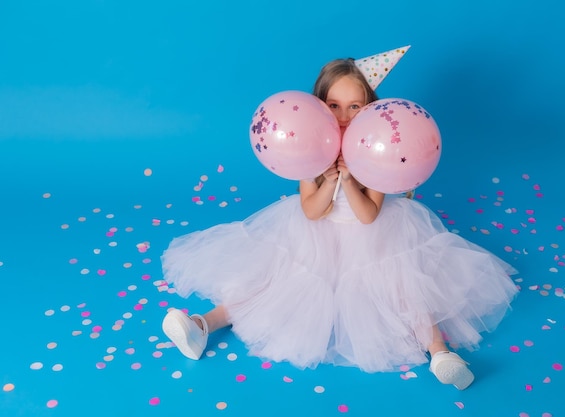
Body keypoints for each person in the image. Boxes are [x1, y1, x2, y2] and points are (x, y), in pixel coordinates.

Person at [161, 51, 518, 391]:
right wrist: (329, 179)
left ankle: (440, 353)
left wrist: (350, 179)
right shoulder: (310, 149)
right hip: (314, 237)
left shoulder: (378, 150)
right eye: (334, 106)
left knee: (406, 292)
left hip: (373, 238)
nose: (344, 116)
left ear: (370, 109)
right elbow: (311, 212)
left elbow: (368, 216)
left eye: (354, 106)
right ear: (318, 107)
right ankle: (201, 326)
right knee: (267, 284)